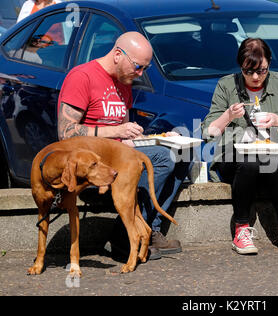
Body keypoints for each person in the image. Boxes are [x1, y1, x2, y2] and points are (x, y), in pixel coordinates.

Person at [57, 31, 190, 259]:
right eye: (138, 66)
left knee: (182, 153)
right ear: (118, 54)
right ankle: (123, 237)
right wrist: (117, 131)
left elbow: (123, 137)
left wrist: (148, 138)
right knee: (161, 158)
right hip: (92, 165)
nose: (140, 74)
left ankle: (148, 227)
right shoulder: (82, 77)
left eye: (144, 69)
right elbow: (65, 134)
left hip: (117, 155)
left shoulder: (123, 81)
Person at [202, 38, 278, 256]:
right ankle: (241, 229)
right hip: (234, 154)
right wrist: (228, 116)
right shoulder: (227, 84)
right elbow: (209, 132)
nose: (256, 77)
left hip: (271, 151)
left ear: (269, 65)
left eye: (263, 71)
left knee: (272, 162)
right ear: (241, 67)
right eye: (249, 72)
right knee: (249, 163)